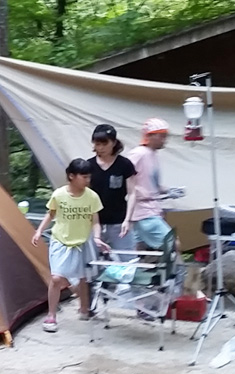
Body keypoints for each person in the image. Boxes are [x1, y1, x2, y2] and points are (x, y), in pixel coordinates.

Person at [32, 158, 108, 332]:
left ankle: (84, 309)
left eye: (89, 177)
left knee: (82, 278)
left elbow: (95, 221)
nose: (88, 181)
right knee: (56, 278)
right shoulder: (59, 195)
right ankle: (51, 315)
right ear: (71, 176)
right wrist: (38, 231)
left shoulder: (92, 197)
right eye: (84, 177)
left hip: (82, 242)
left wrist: (96, 238)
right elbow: (50, 215)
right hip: (60, 241)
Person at [125, 118, 175, 250]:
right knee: (172, 243)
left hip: (152, 208)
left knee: (138, 249)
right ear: (150, 136)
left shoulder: (153, 154)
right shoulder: (138, 154)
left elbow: (151, 183)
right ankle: (178, 271)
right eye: (162, 136)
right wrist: (136, 191)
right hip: (143, 211)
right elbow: (123, 175)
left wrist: (168, 191)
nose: (164, 140)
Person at [88, 123, 136, 253]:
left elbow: (132, 193)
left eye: (105, 144)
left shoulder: (124, 164)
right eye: (97, 144)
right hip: (93, 222)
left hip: (119, 221)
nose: (101, 148)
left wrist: (128, 219)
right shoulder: (88, 166)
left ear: (114, 143)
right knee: (92, 262)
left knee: (126, 258)